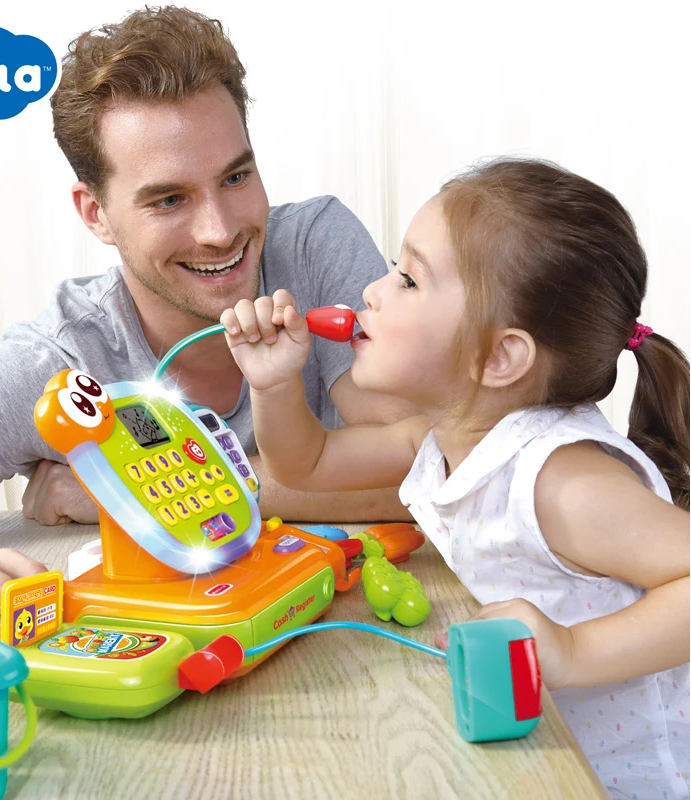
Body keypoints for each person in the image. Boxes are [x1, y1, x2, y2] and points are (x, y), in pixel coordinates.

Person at [0, 7, 415, 632]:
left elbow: (435, 470)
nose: (220, 231)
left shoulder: (314, 248)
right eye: (169, 199)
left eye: (236, 176)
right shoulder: (55, 364)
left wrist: (133, 500)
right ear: (96, 214)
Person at [220, 158, 690, 799]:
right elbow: (305, 464)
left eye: (409, 280)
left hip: (636, 781)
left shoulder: (560, 481)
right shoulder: (440, 439)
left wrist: (572, 650)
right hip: (549, 759)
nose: (373, 292)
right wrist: (274, 385)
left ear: (499, 357)